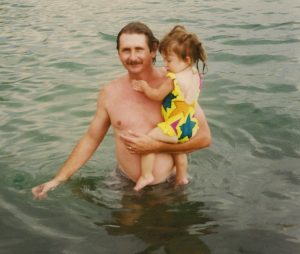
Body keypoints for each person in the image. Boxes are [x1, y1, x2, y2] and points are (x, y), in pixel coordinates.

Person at [31, 22, 211, 199]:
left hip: (172, 184)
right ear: (118, 53)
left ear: (154, 49)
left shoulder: (175, 85)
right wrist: (57, 180)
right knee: (123, 227)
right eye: (126, 50)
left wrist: (157, 146)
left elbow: (204, 138)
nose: (133, 57)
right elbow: (91, 139)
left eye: (139, 49)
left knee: (170, 229)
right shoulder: (110, 93)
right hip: (125, 184)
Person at [131, 25, 207, 191]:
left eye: (169, 60)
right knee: (179, 152)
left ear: (186, 59)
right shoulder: (194, 74)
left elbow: (157, 95)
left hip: (175, 126)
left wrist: (144, 87)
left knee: (149, 140)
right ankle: (182, 177)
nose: (165, 64)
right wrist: (172, 67)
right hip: (189, 126)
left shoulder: (173, 79)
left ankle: (146, 175)